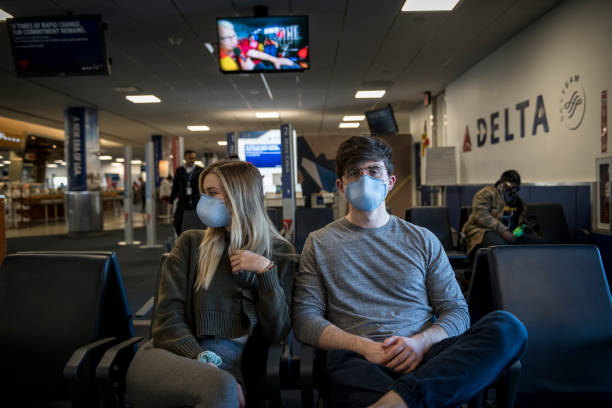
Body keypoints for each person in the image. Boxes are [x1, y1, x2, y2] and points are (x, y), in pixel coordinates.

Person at [292, 135, 527, 408]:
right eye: (355, 173)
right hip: (359, 359)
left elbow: (457, 311)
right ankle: (416, 399)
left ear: (389, 182)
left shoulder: (422, 240)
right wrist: (365, 347)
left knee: (507, 328)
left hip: (426, 356)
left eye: (373, 171)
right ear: (341, 185)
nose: (364, 179)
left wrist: (420, 343)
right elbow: (305, 320)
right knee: (346, 366)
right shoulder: (320, 243)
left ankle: (397, 402)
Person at [126, 159, 297, 407]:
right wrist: (200, 358)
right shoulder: (191, 243)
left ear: (238, 196)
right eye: (204, 193)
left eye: (212, 193)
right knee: (221, 386)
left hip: (227, 367)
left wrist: (265, 272)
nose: (204, 202)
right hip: (166, 356)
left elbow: (276, 332)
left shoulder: (278, 253)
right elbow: (166, 319)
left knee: (221, 388)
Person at [461, 169, 538, 260]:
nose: (512, 191)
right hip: (482, 231)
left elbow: (518, 225)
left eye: (516, 188)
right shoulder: (487, 193)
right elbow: (480, 215)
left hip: (509, 233)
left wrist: (522, 228)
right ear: (501, 183)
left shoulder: (519, 203)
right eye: (509, 186)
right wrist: (502, 230)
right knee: (502, 249)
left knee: (535, 245)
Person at [217, 20, 296, 71]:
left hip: (258, 62)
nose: (233, 40)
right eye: (227, 38)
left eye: (234, 36)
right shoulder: (218, 60)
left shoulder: (239, 47)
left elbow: (256, 53)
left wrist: (275, 60)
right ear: (218, 40)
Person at [170, 150, 203, 235]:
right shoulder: (179, 171)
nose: (192, 160)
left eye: (194, 158)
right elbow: (175, 187)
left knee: (197, 226)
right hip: (182, 203)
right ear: (185, 158)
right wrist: (171, 200)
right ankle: (182, 241)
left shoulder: (200, 171)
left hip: (196, 203)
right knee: (178, 224)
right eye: (190, 158)